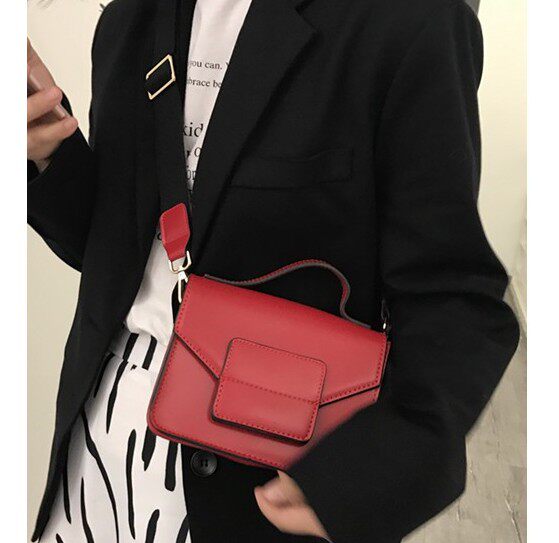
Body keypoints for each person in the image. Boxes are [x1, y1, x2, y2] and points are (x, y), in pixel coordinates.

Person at [27, 0, 520, 542]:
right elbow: (118, 257)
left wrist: (374, 471)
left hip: (260, 473)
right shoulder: (129, 20)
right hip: (93, 448)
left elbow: (451, 295)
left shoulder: (409, 21)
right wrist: (47, 154)